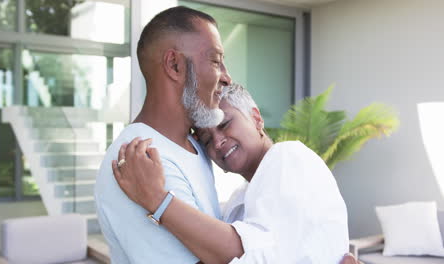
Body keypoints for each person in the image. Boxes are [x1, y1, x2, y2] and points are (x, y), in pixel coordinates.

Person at [113, 84, 350, 263]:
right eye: (205, 140)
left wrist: (156, 198)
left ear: (256, 118)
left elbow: (251, 256)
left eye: (225, 124)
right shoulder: (240, 197)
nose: (218, 142)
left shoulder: (288, 157)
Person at [95, 6, 233, 264]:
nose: (226, 77)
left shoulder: (194, 144)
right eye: (215, 61)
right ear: (175, 65)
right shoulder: (137, 158)